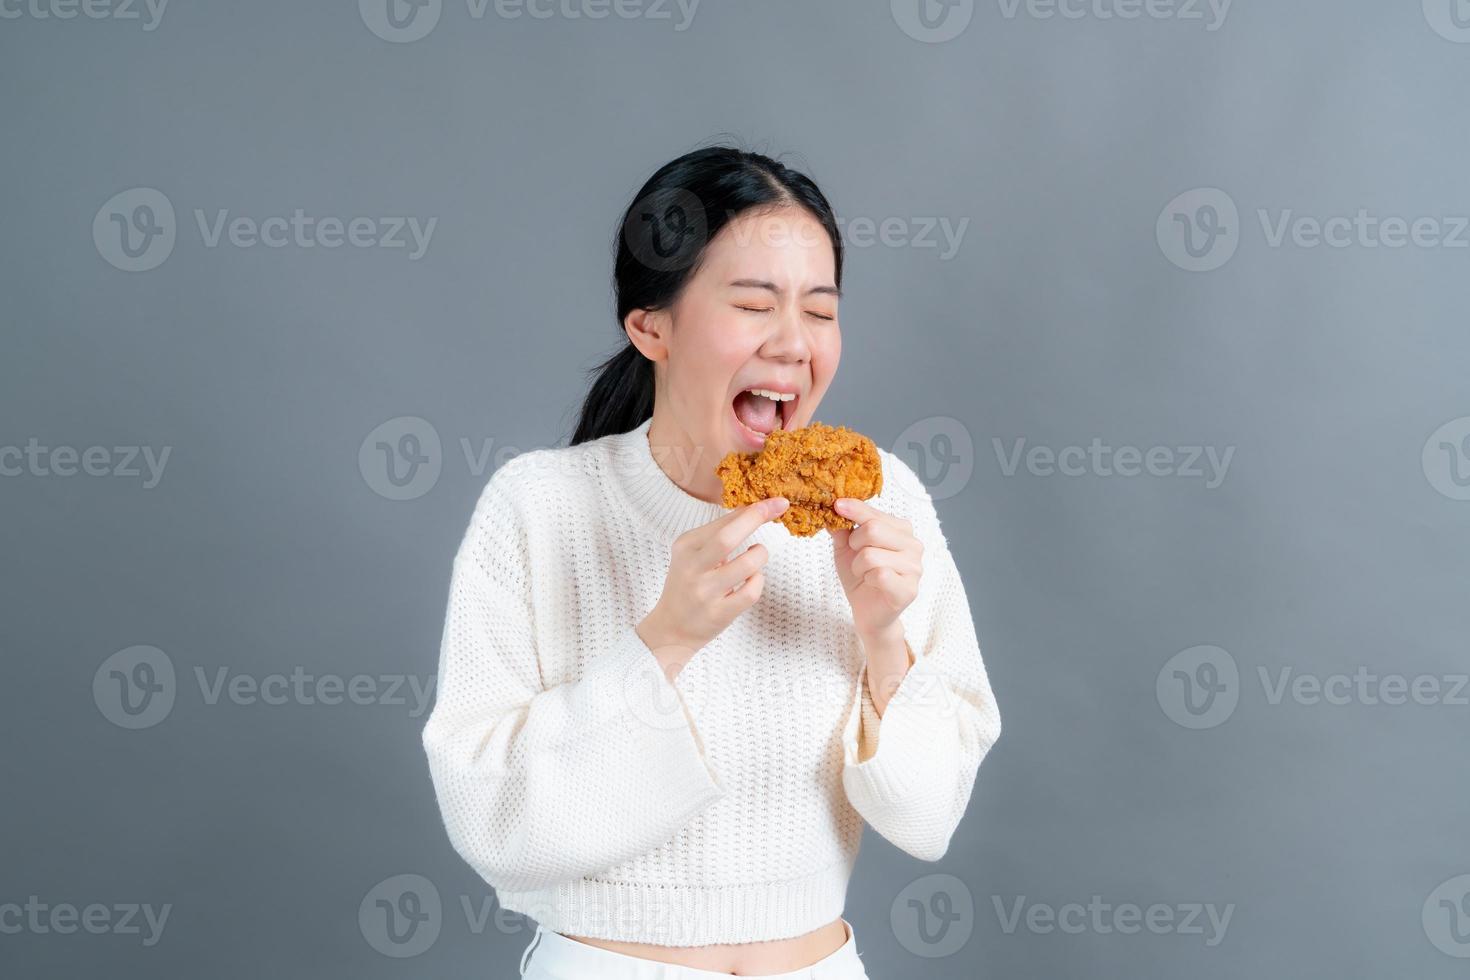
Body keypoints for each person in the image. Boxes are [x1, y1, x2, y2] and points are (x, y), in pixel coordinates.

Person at [421, 144, 1002, 978]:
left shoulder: (885, 507)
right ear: (650, 326)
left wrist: (884, 640)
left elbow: (928, 817)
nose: (796, 344)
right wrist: (663, 641)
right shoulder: (538, 509)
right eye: (755, 304)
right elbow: (493, 823)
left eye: (821, 309)